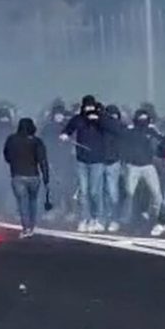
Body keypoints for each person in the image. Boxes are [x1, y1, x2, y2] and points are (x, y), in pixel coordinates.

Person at [60, 95, 119, 233]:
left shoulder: (102, 118)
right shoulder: (78, 119)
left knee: (94, 192)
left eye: (92, 107)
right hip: (81, 161)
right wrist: (64, 135)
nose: (89, 110)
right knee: (83, 192)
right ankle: (84, 219)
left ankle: (97, 218)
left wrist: (99, 120)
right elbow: (68, 129)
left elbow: (114, 128)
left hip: (97, 161)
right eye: (87, 107)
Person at [3, 118, 50, 238]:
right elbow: (42, 161)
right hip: (34, 176)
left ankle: (25, 227)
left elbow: (7, 157)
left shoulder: (11, 139)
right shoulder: (37, 141)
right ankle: (32, 226)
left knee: (22, 202)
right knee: (33, 201)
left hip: (18, 175)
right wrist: (46, 178)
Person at [121, 108, 163, 233]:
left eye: (145, 118)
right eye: (140, 118)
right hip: (132, 166)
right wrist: (125, 163)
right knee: (129, 194)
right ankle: (125, 220)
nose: (142, 121)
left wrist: (155, 131)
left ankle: (159, 218)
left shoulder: (151, 131)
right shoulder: (130, 131)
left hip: (148, 166)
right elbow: (122, 144)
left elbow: (162, 140)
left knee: (156, 193)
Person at [40, 103, 75, 222]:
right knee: (52, 187)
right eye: (57, 115)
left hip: (65, 160)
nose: (59, 117)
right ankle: (53, 210)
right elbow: (43, 144)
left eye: (61, 115)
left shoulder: (68, 128)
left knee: (66, 186)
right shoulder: (47, 128)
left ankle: (69, 210)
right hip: (51, 159)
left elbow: (72, 144)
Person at [101, 105, 125, 232]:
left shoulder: (119, 127)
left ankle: (114, 219)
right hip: (101, 162)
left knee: (112, 193)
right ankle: (104, 218)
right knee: (102, 192)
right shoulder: (102, 128)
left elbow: (123, 146)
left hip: (114, 162)